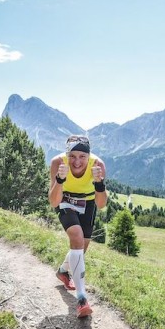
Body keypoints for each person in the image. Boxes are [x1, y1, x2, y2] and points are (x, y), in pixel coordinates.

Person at [48, 135, 108, 318]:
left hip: (88, 202)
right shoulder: (58, 163)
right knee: (76, 237)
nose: (77, 161)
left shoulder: (98, 165)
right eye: (73, 156)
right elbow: (53, 201)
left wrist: (99, 183)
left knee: (82, 247)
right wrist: (59, 180)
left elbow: (101, 204)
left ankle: (63, 271)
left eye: (82, 156)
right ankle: (82, 299)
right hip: (65, 199)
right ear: (67, 154)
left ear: (89, 156)